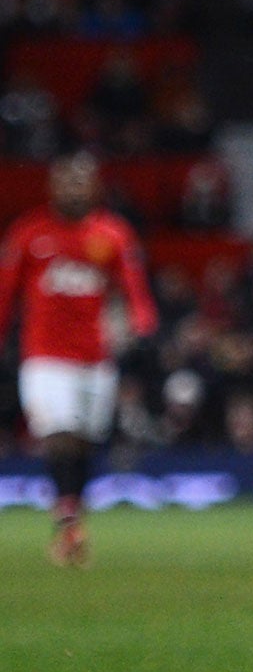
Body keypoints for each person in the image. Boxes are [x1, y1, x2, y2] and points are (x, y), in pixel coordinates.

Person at [0, 153, 159, 565]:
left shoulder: (112, 234)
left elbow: (134, 287)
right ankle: (68, 518)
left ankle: (72, 516)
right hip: (45, 356)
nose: (73, 189)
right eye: (66, 182)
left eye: (81, 182)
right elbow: (5, 294)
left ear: (95, 187)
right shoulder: (29, 234)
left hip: (95, 357)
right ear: (52, 187)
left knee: (85, 441)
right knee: (59, 433)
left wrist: (143, 324)